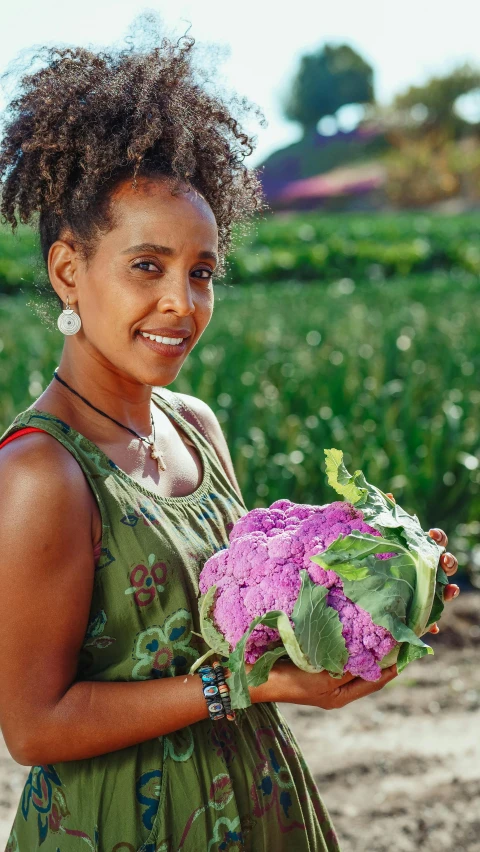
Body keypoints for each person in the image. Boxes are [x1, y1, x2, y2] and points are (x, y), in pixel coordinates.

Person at [0, 27, 460, 852]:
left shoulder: (197, 427)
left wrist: (384, 585)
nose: (183, 302)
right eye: (148, 266)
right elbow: (33, 729)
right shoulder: (41, 472)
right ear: (70, 271)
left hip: (259, 801)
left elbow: (249, 628)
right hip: (119, 827)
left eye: (202, 271)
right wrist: (235, 689)